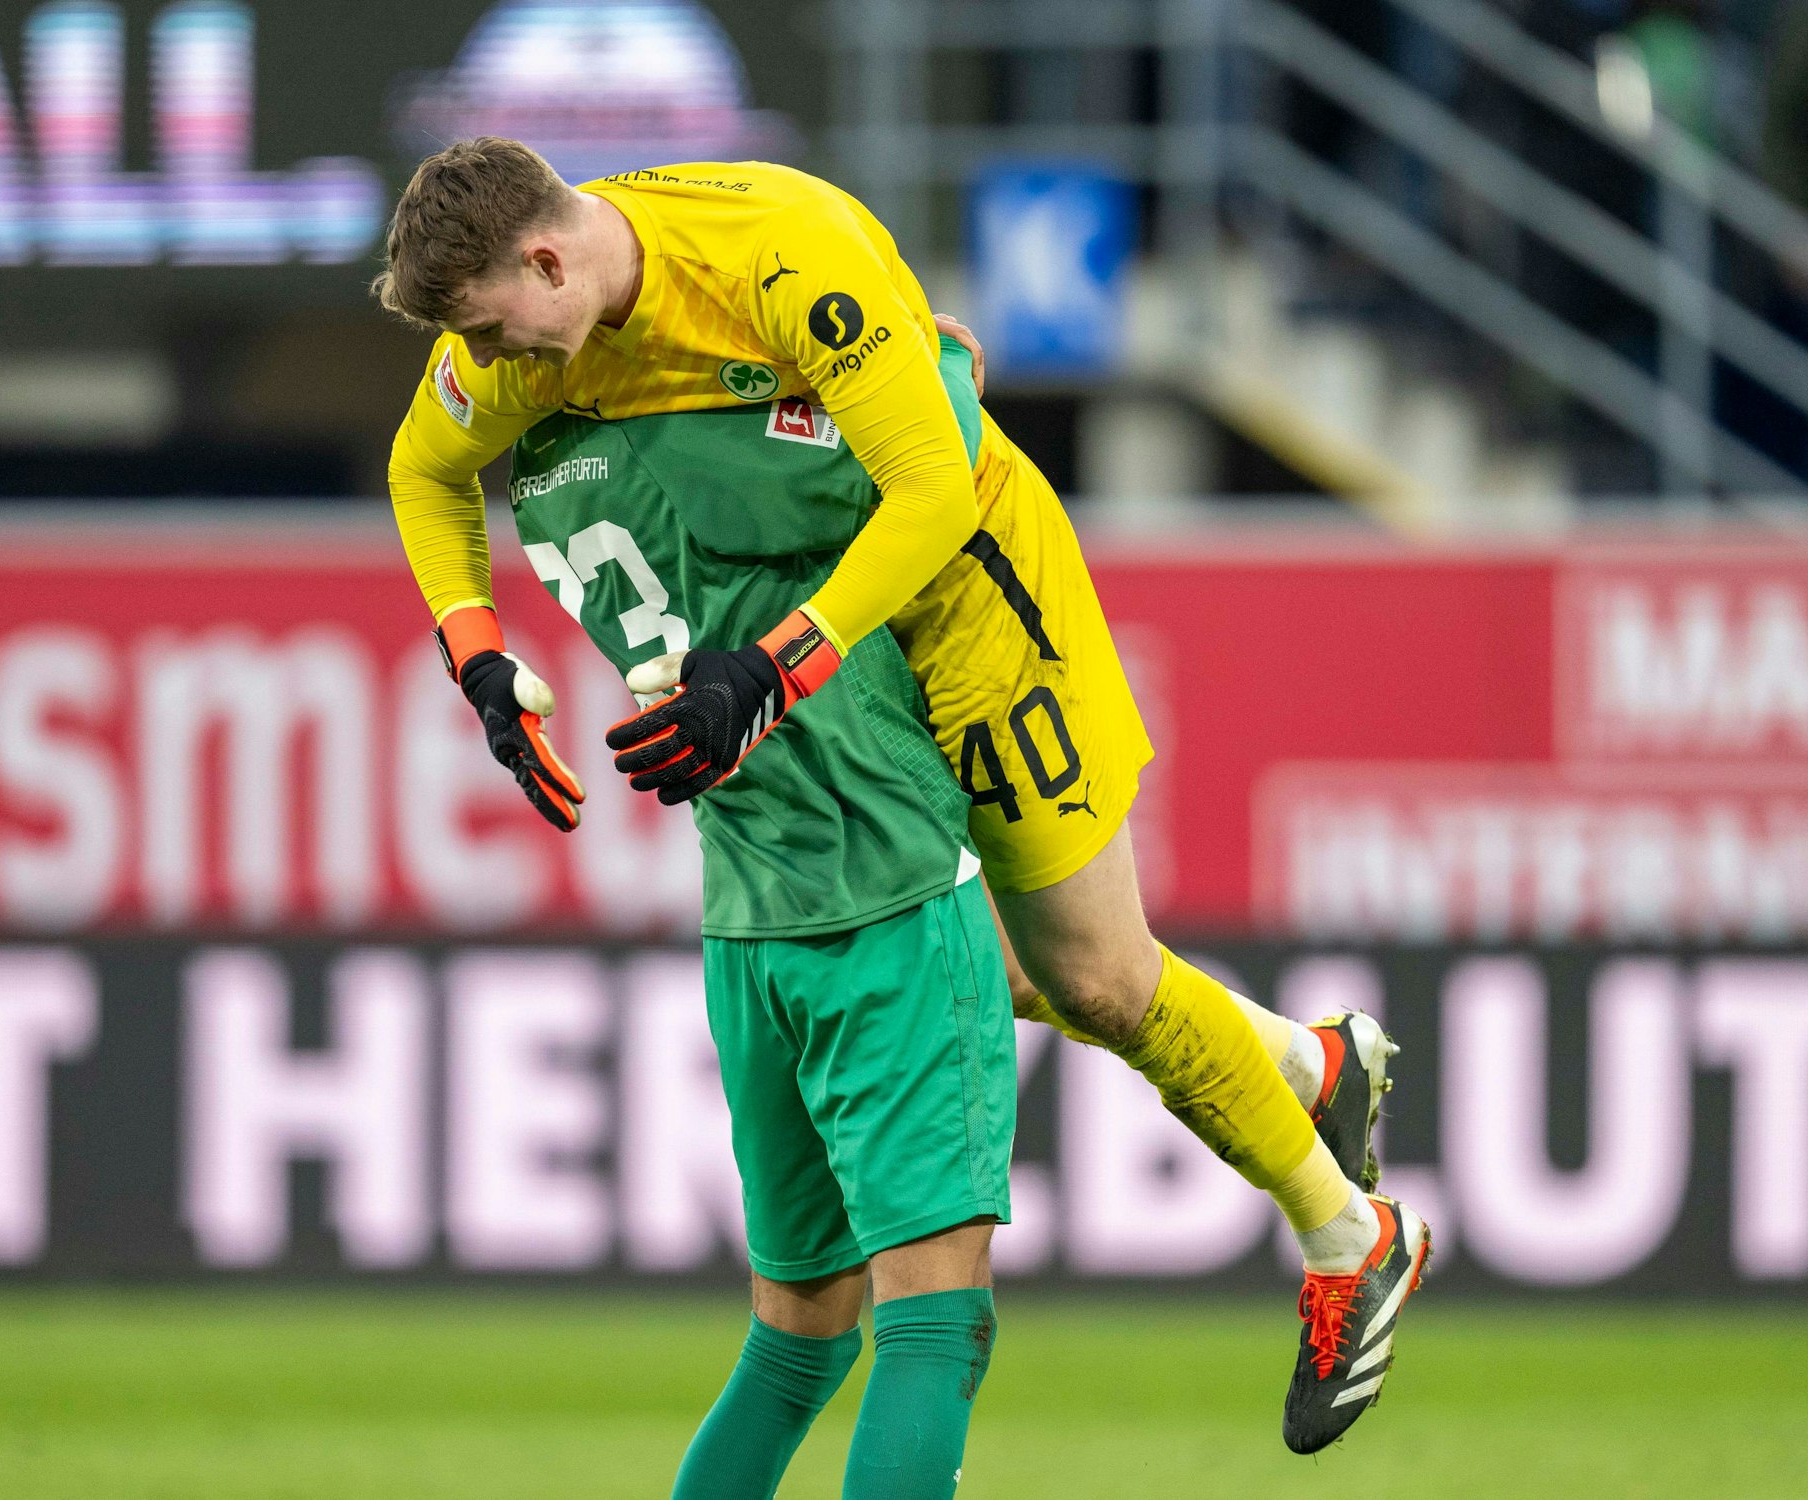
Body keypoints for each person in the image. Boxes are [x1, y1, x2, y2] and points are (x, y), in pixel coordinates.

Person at [376, 138, 1428, 1451]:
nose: (503, 367)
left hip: (971, 587)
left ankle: (1353, 1236)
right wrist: (475, 647)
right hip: (839, 620)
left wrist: (773, 669)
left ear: (544, 256)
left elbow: (931, 485)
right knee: (1027, 974)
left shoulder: (773, 255)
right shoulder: (519, 327)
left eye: (502, 333)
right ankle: (1304, 1062)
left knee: (1090, 975)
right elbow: (425, 471)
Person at [481, 341, 1018, 1498]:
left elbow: (428, 462)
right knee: (932, 1325)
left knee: (796, 1342)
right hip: (886, 893)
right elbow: (935, 464)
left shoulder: (542, 475)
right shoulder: (718, 450)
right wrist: (943, 361)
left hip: (747, 924)